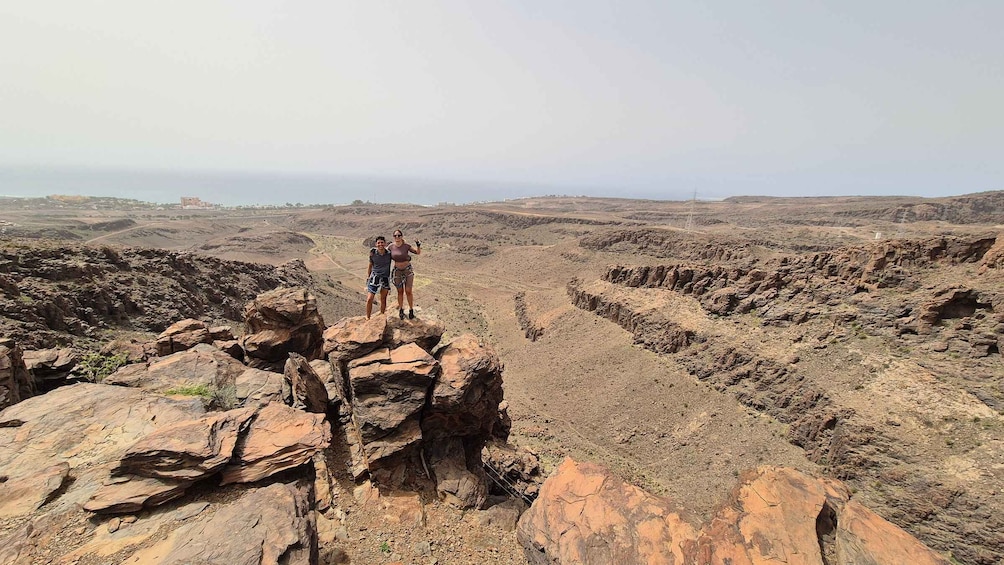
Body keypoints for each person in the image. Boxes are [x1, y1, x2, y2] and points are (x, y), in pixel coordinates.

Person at [389, 229, 422, 319]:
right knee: (400, 291)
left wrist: (418, 245)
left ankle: (411, 309)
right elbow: (384, 254)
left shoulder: (406, 246)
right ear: (393, 237)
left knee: (408, 291)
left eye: (399, 235)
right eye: (395, 236)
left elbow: (417, 252)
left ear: (402, 236)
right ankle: (401, 309)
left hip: (407, 270)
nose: (397, 237)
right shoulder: (391, 247)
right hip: (397, 271)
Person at [365, 235, 392, 319]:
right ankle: (368, 318)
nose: (380, 244)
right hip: (374, 277)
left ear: (385, 243)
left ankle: (382, 316)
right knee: (369, 299)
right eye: (378, 243)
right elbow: (370, 265)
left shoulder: (389, 254)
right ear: (376, 244)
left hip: (385, 278)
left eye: (382, 243)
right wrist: (368, 277)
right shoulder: (373, 253)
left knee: (383, 299)